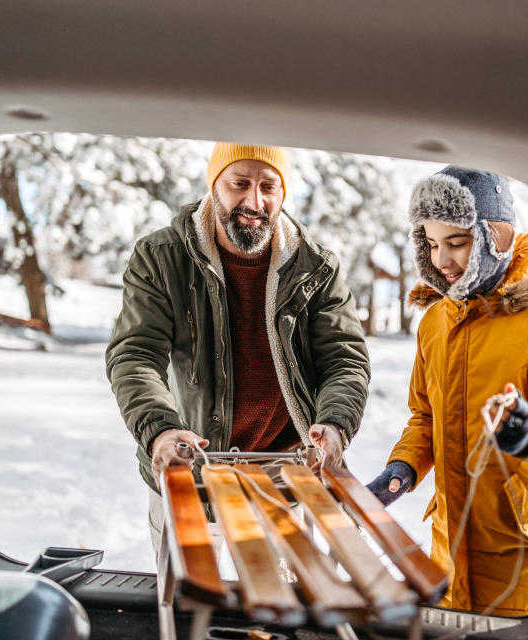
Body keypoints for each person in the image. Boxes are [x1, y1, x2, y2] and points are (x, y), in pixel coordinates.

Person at [105, 143, 370, 555]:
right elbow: (136, 355)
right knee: (187, 604)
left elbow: (344, 360)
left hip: (285, 475)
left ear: (284, 193)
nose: (254, 201)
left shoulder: (316, 268)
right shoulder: (160, 258)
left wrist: (335, 422)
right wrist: (159, 430)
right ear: (214, 185)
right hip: (189, 468)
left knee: (284, 610)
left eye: (269, 186)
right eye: (239, 183)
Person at [366, 166, 528, 616]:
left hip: (523, 551)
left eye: (457, 243)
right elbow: (425, 416)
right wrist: (403, 468)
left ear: (498, 237)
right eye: (431, 244)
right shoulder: (434, 323)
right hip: (450, 548)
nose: (442, 260)